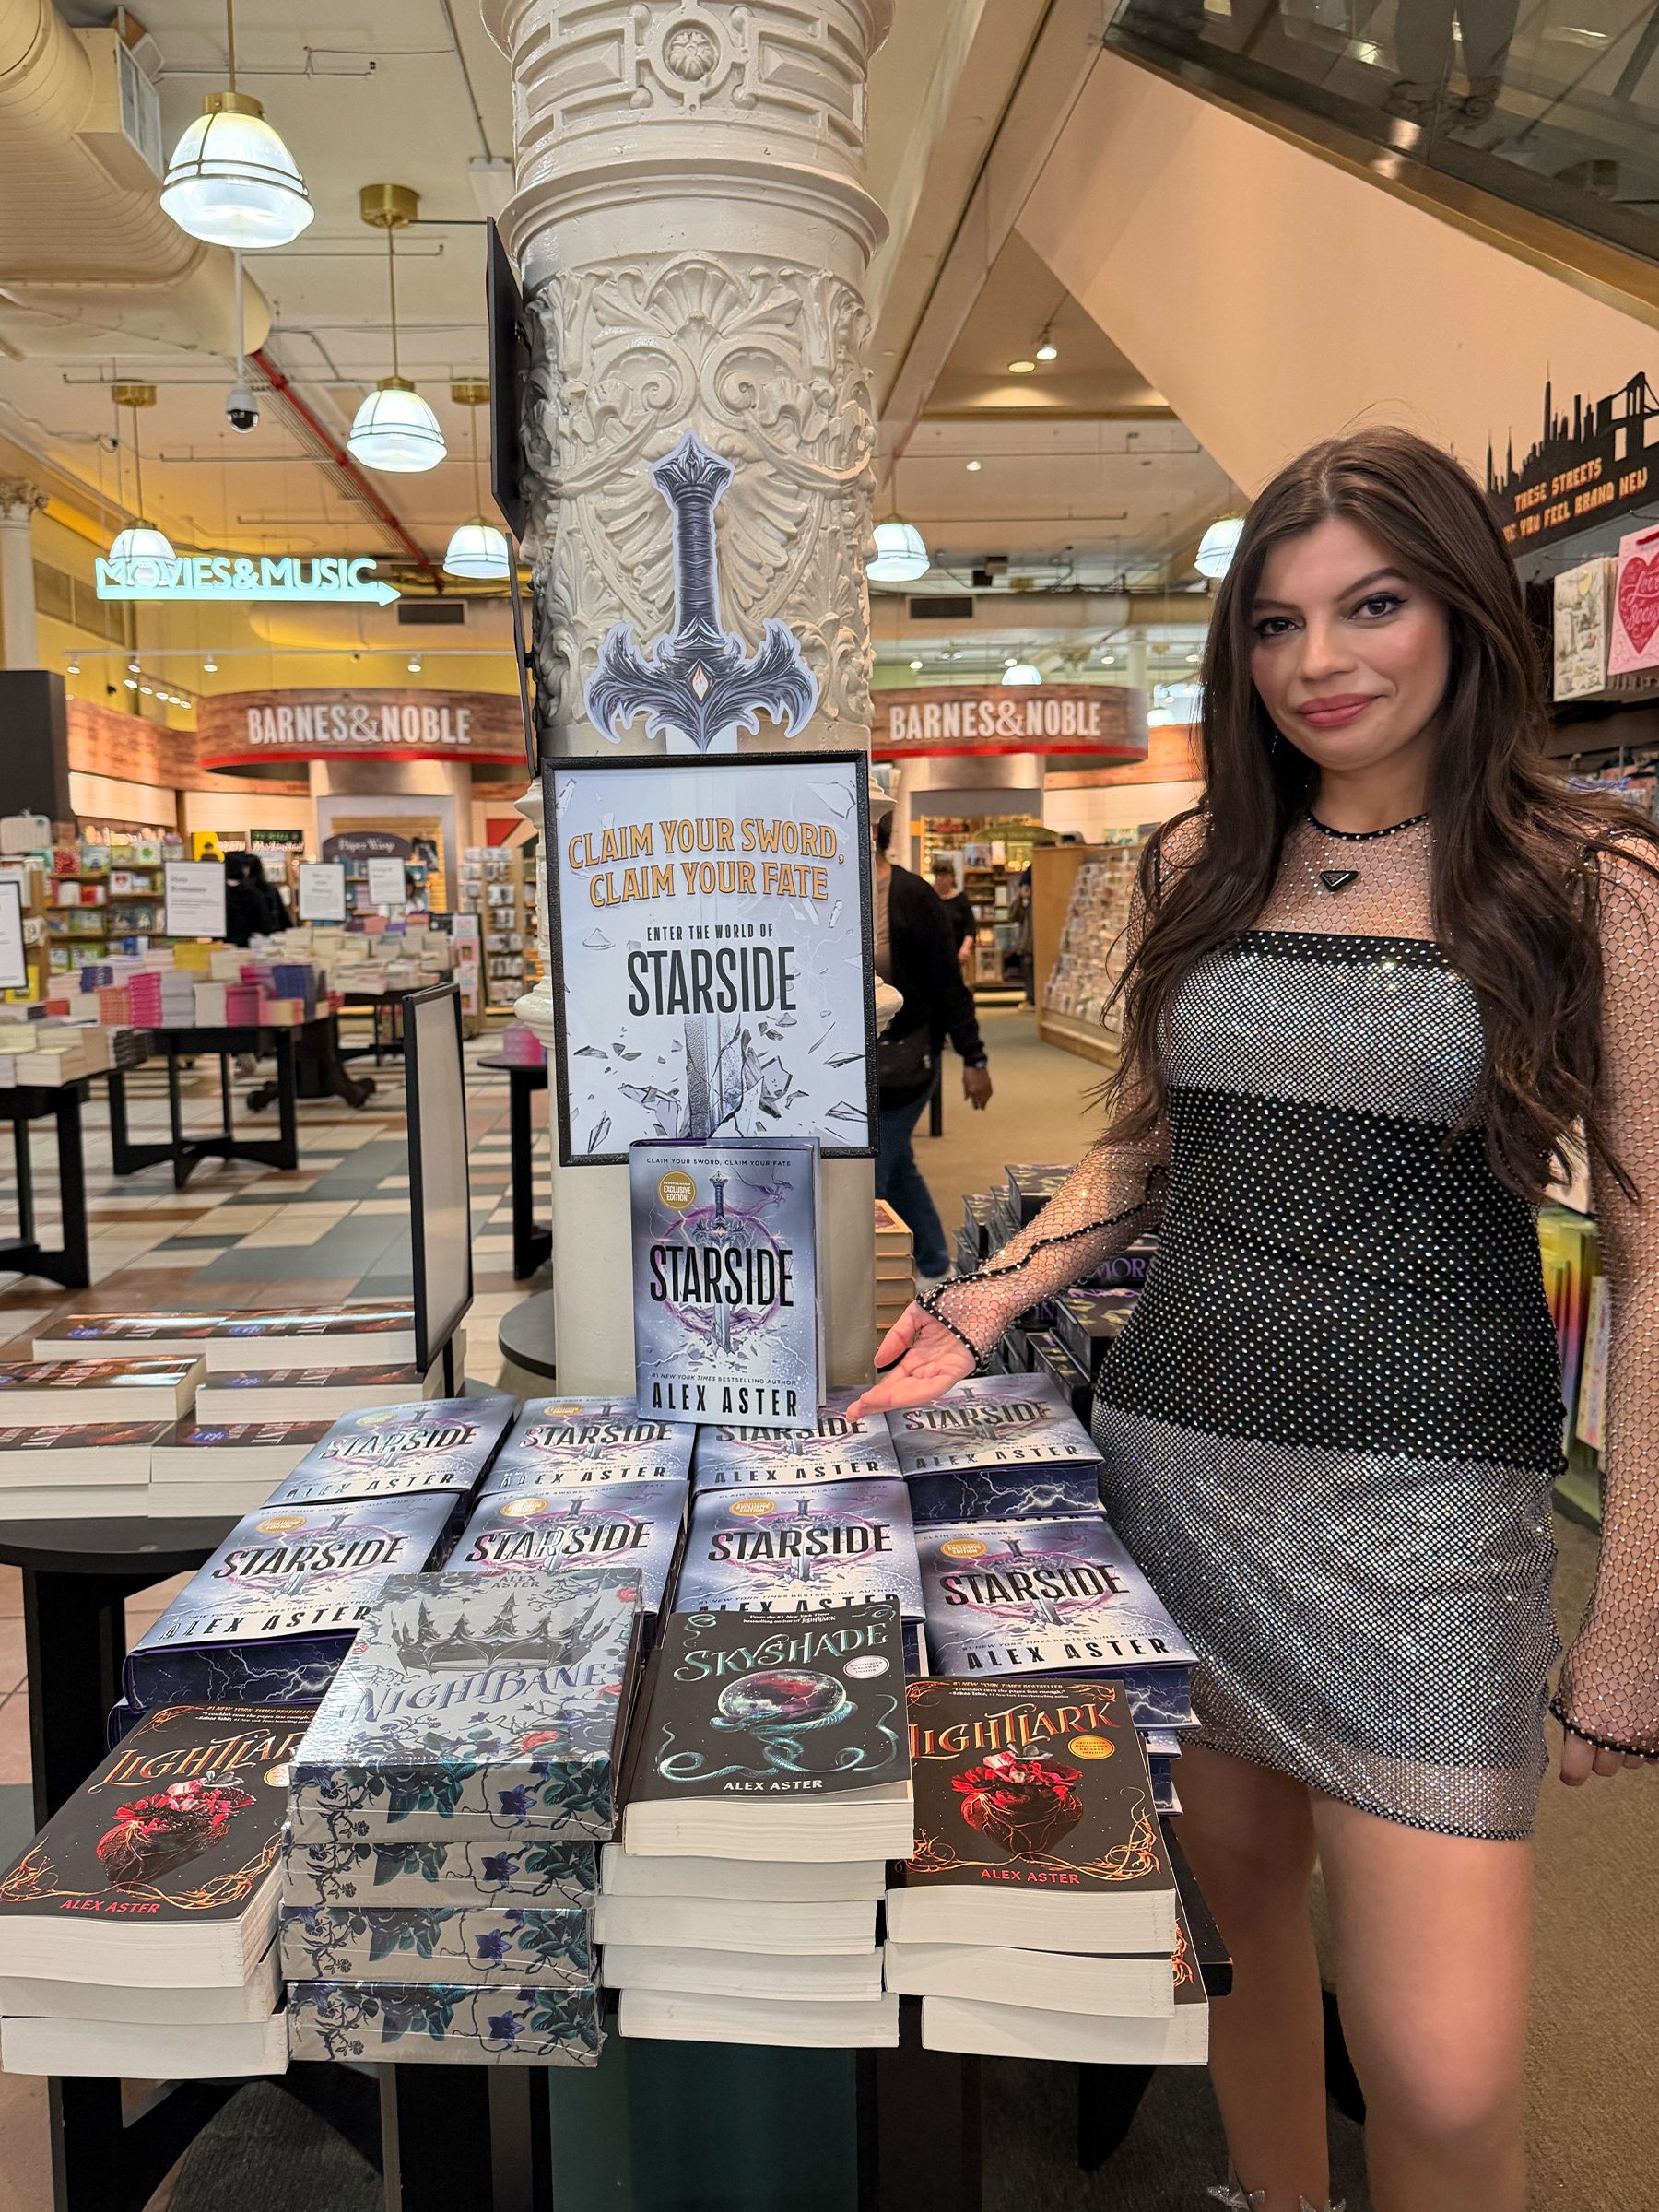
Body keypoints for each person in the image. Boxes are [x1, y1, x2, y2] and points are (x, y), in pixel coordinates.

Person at [853, 428, 1656, 2212]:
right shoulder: (1206, 859)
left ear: (1464, 609)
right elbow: (1144, 1147)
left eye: (1370, 606)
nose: (1321, 664)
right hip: (1180, 1477)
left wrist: (1639, 1611)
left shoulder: (1588, 881)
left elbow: (1652, 1258)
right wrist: (985, 1300)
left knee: (1446, 2078)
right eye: (1279, 625)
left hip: (1429, 1513)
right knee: (1232, 1942)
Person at [874, 807, 993, 1281]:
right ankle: (935, 1267)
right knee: (898, 1167)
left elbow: (948, 983)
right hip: (850, 1064)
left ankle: (870, 1299)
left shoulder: (910, 895)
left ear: (874, 835)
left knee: (872, 1175)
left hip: (904, 1060)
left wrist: (974, 1056)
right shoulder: (825, 893)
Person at [223, 851, 290, 947]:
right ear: (244, 870)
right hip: (251, 948)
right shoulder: (256, 895)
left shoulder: (220, 895)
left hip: (222, 949)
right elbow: (266, 926)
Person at [930, 858, 977, 967]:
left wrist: (965, 948)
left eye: (944, 876)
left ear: (951, 877)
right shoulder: (929, 897)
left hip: (957, 953)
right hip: (934, 954)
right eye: (938, 876)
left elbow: (970, 927)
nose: (940, 880)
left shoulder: (961, 899)